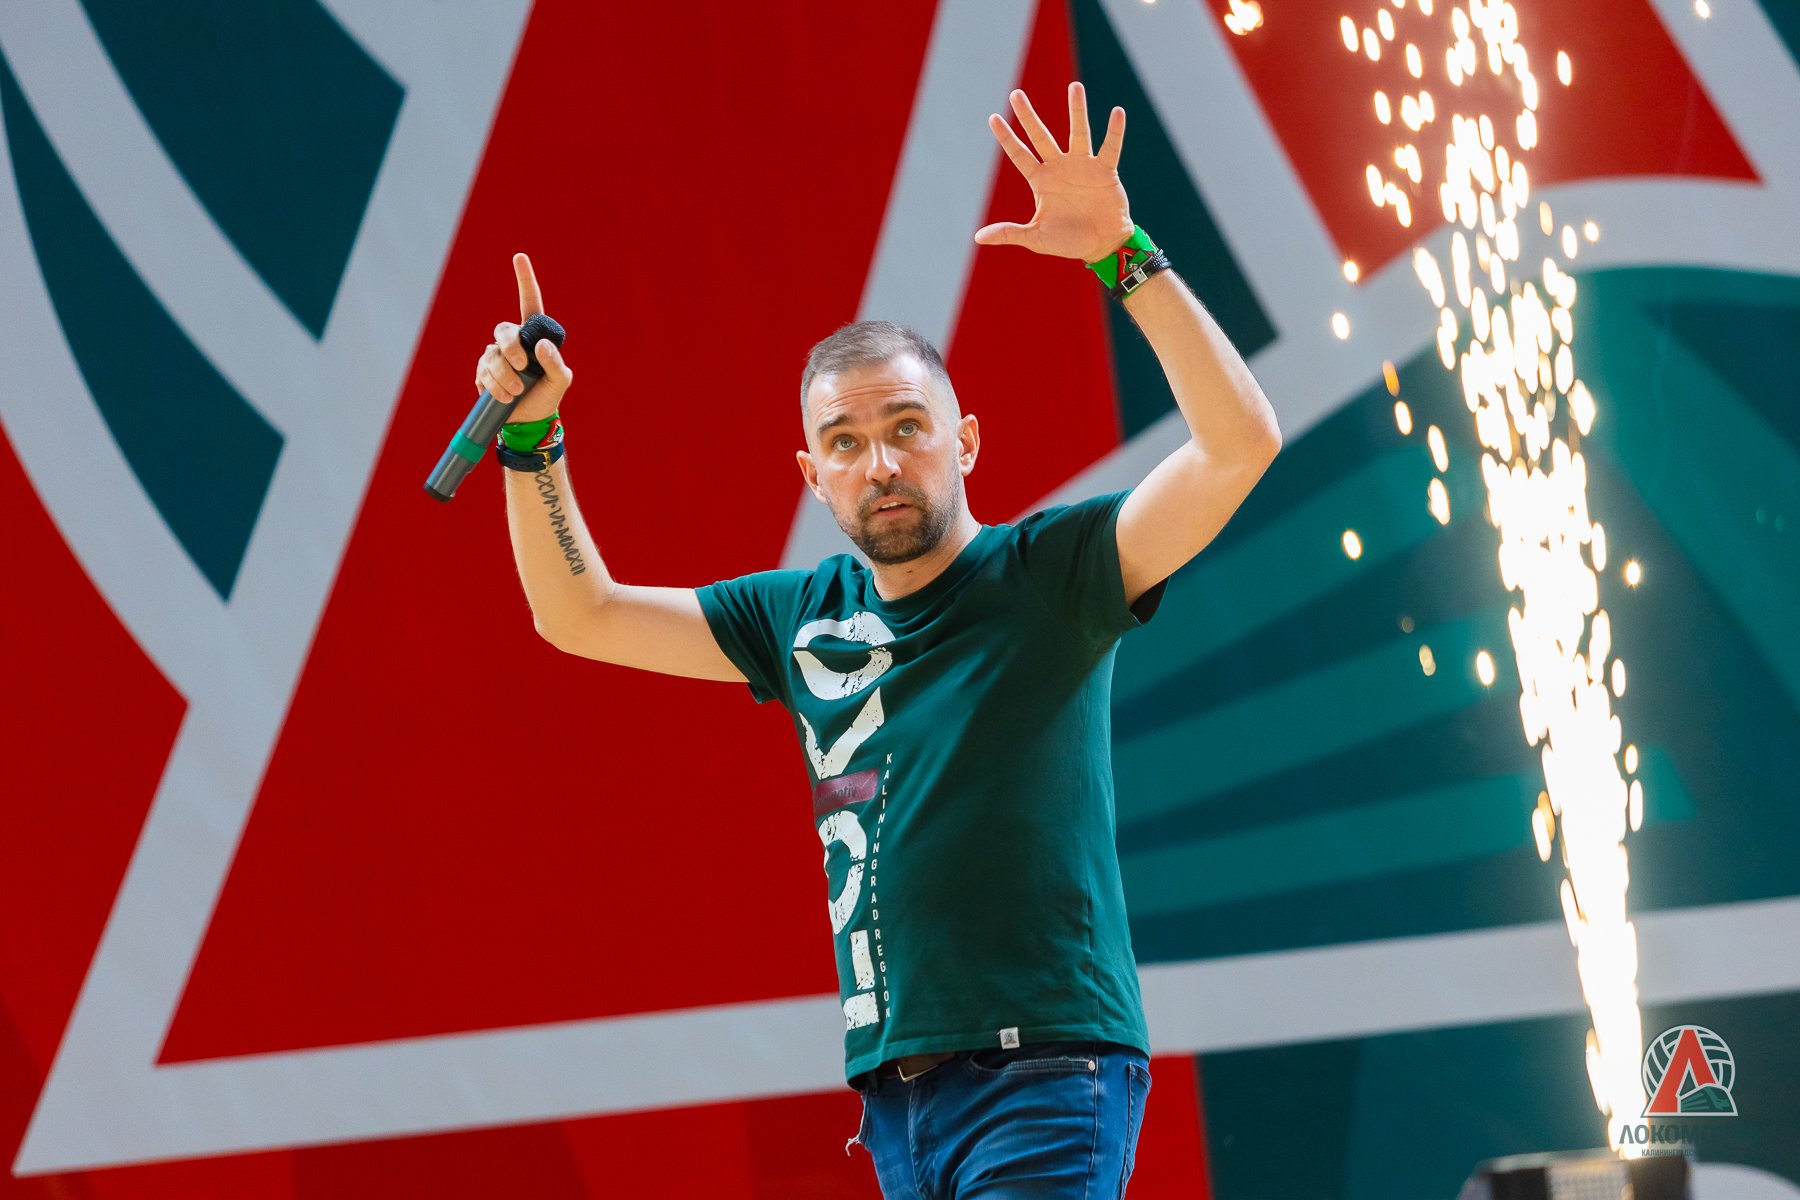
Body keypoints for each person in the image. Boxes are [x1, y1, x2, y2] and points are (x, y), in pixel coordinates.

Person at [475, 82, 1280, 1199]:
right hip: (898, 1101)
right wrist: (532, 440)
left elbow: (1239, 446)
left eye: (907, 427)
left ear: (966, 440)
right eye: (845, 443)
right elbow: (581, 614)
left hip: (1046, 1069)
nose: (882, 463)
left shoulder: (1052, 575)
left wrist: (1123, 255)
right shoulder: (799, 615)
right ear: (812, 476)